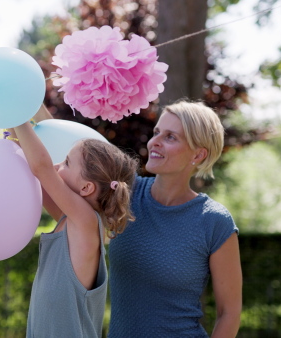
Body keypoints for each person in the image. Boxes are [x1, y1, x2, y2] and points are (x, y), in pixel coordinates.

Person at [107, 100, 242, 337]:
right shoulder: (125, 193)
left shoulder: (214, 221)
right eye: (157, 132)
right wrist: (26, 114)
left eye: (171, 137)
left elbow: (229, 313)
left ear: (198, 154)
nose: (154, 142)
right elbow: (75, 156)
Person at [12, 118, 139, 338]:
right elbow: (37, 177)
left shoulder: (87, 223)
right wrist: (12, 129)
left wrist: (16, 115)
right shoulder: (69, 221)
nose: (56, 165)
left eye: (66, 163)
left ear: (86, 187)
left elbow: (41, 168)